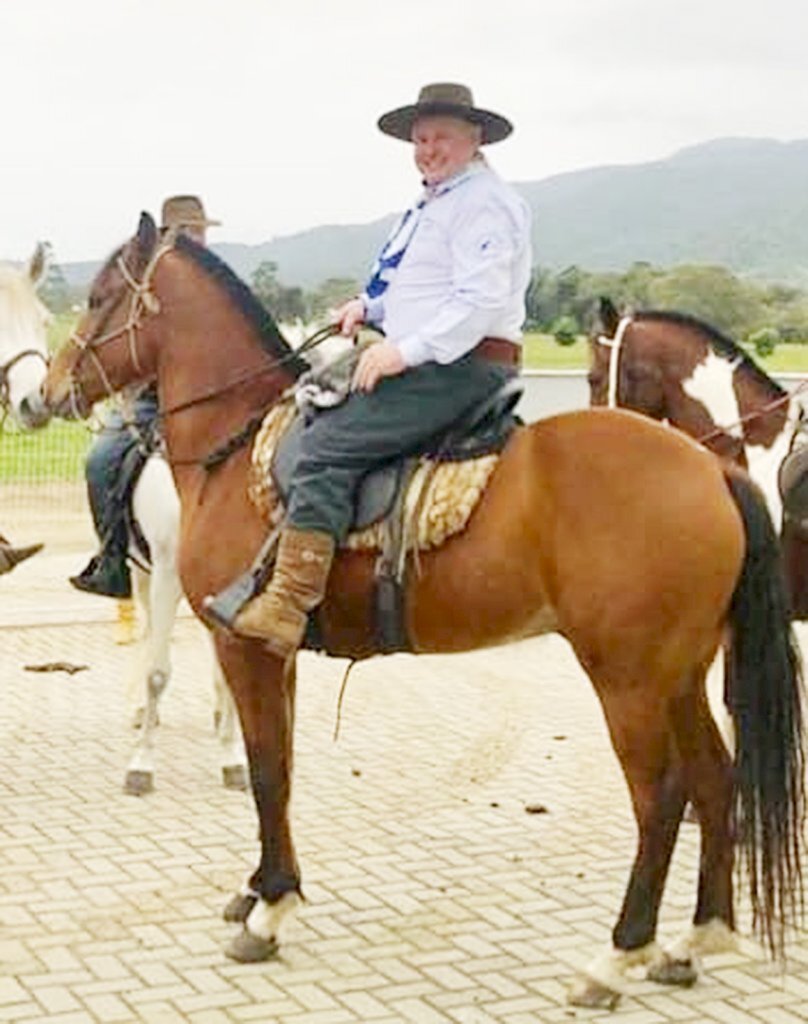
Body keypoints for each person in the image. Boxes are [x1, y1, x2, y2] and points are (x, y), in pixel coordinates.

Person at [206, 82, 532, 658]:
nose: (429, 148)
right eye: (422, 137)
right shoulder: (437, 199)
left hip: (460, 363)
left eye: (443, 137)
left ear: (474, 138)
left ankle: (288, 601)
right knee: (310, 404)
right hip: (433, 353)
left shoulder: (484, 202)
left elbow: (478, 300)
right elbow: (422, 285)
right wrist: (368, 308)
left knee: (328, 445)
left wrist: (403, 351)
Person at [70, 195, 220, 598]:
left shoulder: (216, 283)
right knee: (101, 460)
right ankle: (112, 558)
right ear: (170, 237)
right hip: (151, 400)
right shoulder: (148, 283)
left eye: (200, 231)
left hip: (212, 399)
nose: (197, 238)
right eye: (188, 231)